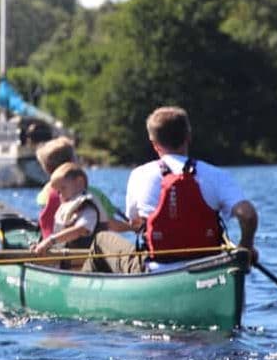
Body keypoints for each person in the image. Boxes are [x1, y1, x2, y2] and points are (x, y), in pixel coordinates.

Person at [82, 106, 259, 273]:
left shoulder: (139, 174)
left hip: (155, 269)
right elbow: (248, 215)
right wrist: (246, 248)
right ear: (188, 137)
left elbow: (135, 222)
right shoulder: (216, 175)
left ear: (154, 143)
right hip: (208, 267)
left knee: (101, 240)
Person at [35, 136, 129, 240]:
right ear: (72, 163)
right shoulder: (91, 193)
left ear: (46, 169)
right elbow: (111, 224)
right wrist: (132, 227)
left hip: (53, 245)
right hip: (83, 246)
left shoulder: (44, 194)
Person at [32, 162, 107, 255]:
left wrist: (49, 241)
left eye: (63, 188)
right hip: (67, 259)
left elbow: (81, 230)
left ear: (79, 182)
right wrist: (42, 245)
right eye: (58, 192)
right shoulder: (69, 205)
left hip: (85, 262)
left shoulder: (86, 205)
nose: (60, 195)